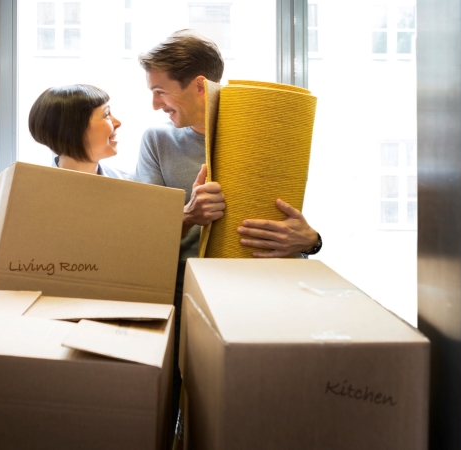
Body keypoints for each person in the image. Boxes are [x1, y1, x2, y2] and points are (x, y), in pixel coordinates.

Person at [135, 29, 323, 427]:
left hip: (251, 299)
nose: (154, 104)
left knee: (234, 415)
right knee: (160, 414)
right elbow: (140, 235)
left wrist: (311, 240)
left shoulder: (261, 139)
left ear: (199, 85)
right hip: (176, 301)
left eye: (160, 91)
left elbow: (292, 235)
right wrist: (188, 215)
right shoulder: (157, 142)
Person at [29, 84, 130, 179]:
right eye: (107, 114)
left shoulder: (131, 186)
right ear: (73, 128)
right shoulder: (30, 191)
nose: (118, 123)